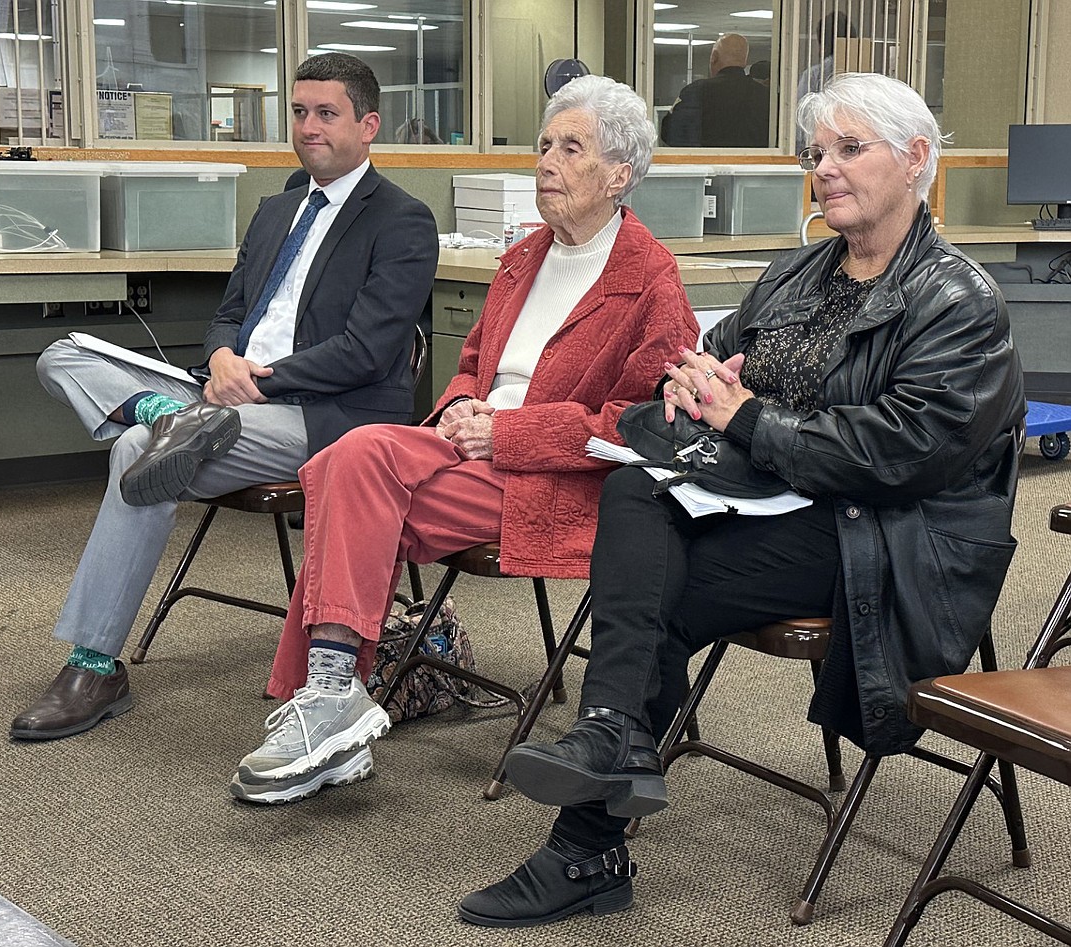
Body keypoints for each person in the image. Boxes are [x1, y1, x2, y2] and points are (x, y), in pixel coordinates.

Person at [460, 72, 1025, 927]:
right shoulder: (801, 272)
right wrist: (685, 376)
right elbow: (706, 354)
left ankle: (585, 846)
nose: (824, 169)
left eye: (848, 149)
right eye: (815, 154)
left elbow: (899, 454)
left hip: (890, 533)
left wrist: (750, 417)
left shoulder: (959, 302)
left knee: (654, 589)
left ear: (916, 160)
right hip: (773, 499)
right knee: (636, 496)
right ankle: (614, 731)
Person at [229, 74, 701, 805]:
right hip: (468, 451)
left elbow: (636, 424)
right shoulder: (523, 257)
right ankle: (333, 706)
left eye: (570, 148)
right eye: (544, 144)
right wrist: (456, 406)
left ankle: (328, 696)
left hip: (552, 477)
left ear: (619, 173)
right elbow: (474, 363)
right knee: (349, 471)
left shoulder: (653, 282)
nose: (545, 159)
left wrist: (504, 430)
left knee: (347, 472)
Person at [9, 53, 439, 742]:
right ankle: (170, 414)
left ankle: (94, 662)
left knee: (131, 448)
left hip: (317, 416)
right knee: (65, 354)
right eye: (299, 112)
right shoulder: (275, 210)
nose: (308, 127)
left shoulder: (402, 221)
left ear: (368, 124)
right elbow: (228, 313)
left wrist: (255, 381)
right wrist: (218, 358)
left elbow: (367, 351)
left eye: (326, 114)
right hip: (223, 396)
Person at [660, 33, 769, 148]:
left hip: (705, 162)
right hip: (755, 164)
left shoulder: (696, 91)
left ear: (714, 57)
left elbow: (670, 132)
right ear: (745, 61)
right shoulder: (765, 96)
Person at [796, 12, 855, 153]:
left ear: (822, 41)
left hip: (820, 148)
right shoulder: (868, 74)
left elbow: (800, 124)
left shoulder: (814, 75)